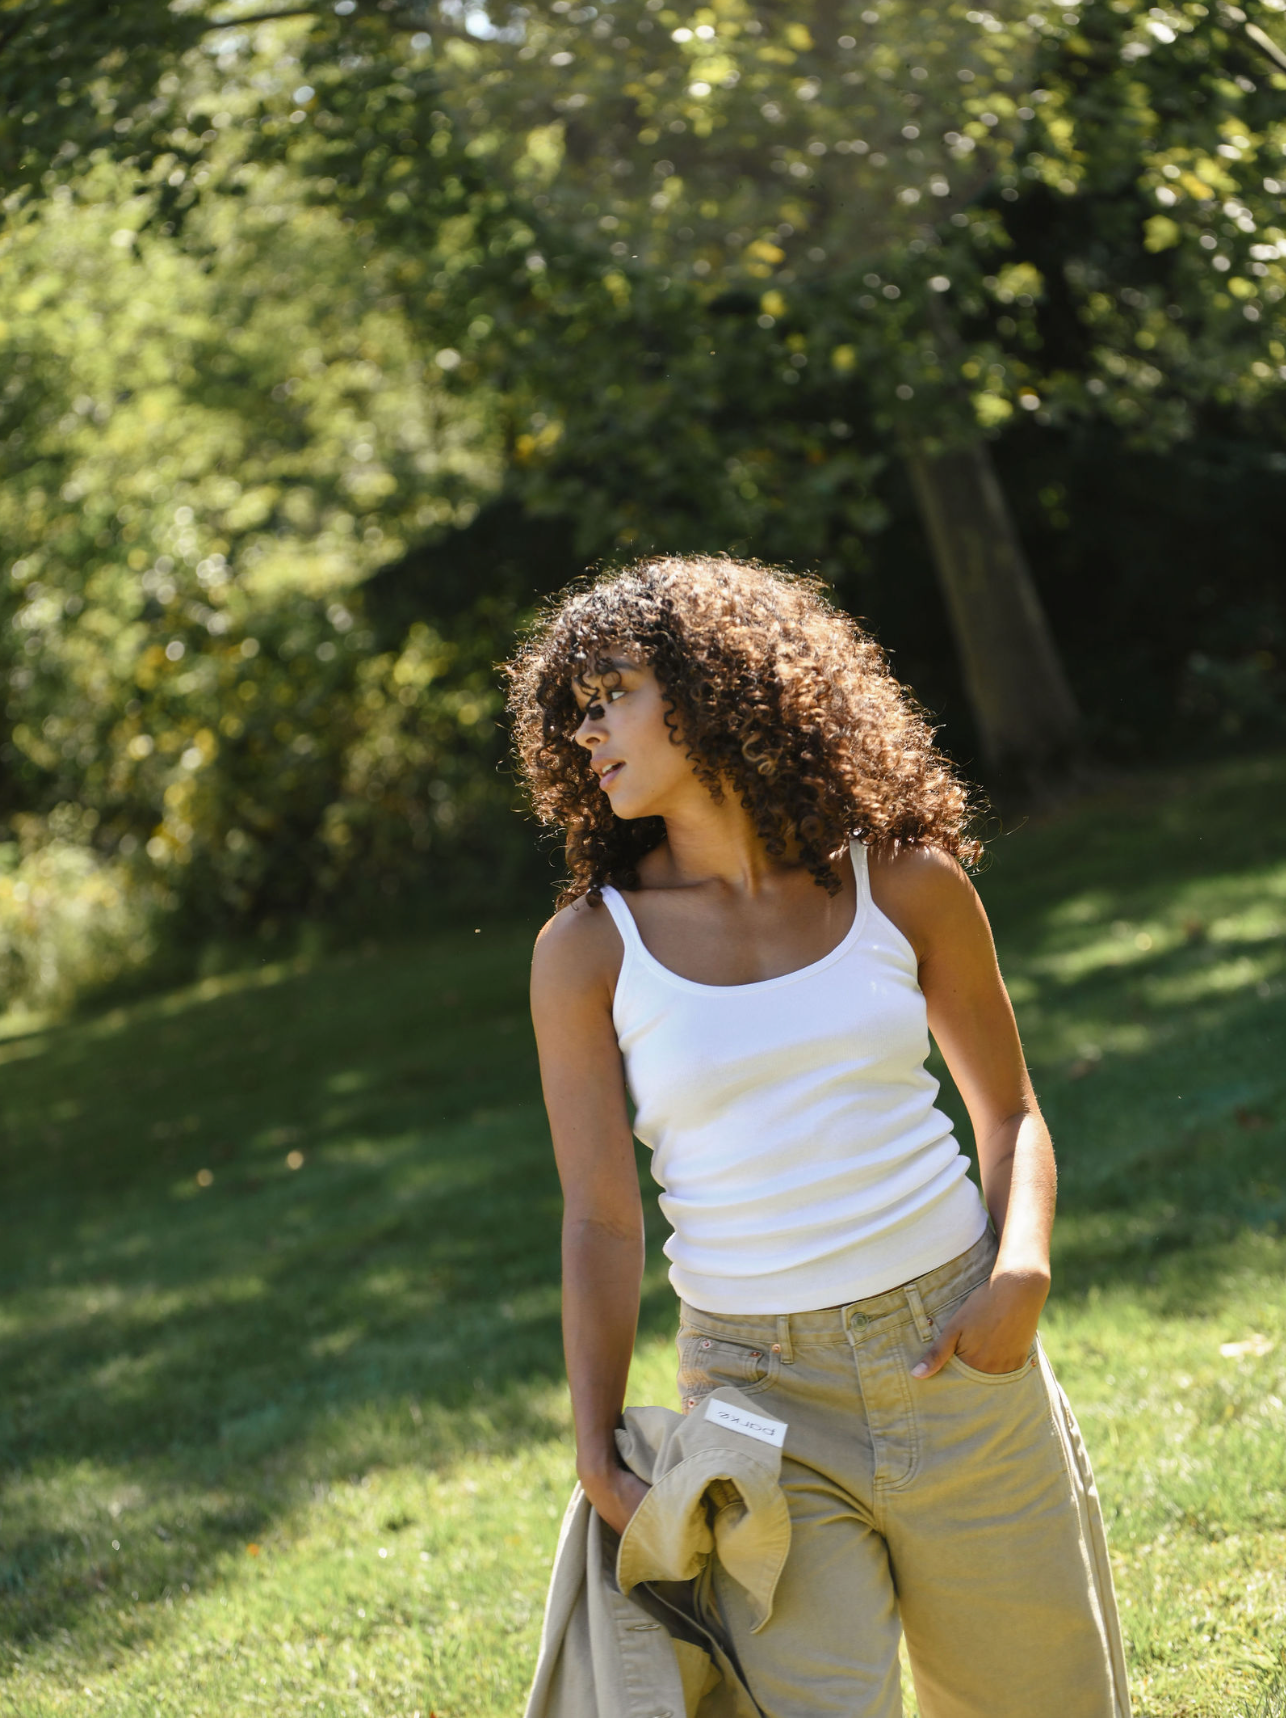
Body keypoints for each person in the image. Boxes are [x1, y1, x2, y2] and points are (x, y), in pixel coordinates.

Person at [508, 557, 1129, 1719]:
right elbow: (598, 1213)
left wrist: (1021, 1268)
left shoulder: (903, 881)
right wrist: (596, 1450)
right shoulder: (587, 949)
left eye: (612, 694)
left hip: (957, 1351)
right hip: (754, 1394)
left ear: (711, 684)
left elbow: (1009, 1113)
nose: (586, 732)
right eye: (573, 712)